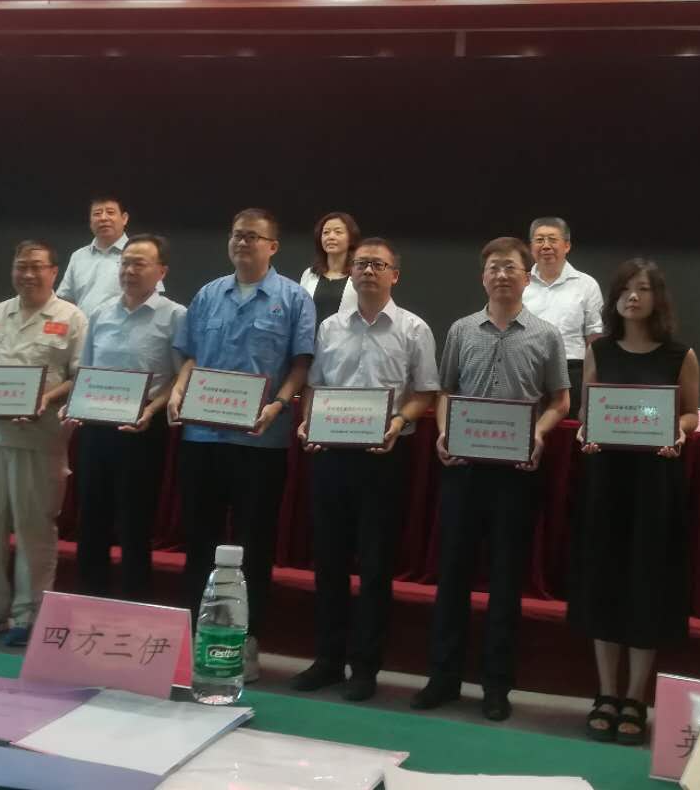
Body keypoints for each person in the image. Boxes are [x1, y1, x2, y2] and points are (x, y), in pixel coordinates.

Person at [414, 237, 571, 722]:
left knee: (506, 581)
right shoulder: (461, 330)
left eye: (511, 268)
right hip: (463, 469)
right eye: (494, 268)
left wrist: (539, 433)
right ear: (483, 277)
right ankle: (443, 677)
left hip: (515, 475)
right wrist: (444, 432)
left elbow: (560, 401)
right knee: (453, 575)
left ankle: (496, 685)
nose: (502, 275)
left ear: (527, 276)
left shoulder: (546, 335)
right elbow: (446, 390)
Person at [167, 208, 315, 682]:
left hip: (260, 440)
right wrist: (178, 389)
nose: (242, 242)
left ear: (273, 246)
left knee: (254, 544)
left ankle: (246, 641)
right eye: (236, 235)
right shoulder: (209, 294)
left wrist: (280, 405)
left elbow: (301, 364)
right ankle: (195, 636)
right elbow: (190, 356)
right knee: (199, 540)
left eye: (253, 236)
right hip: (202, 436)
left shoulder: (293, 298)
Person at [292, 237, 439, 702]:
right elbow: (314, 387)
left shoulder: (414, 329)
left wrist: (398, 421)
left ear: (395, 274)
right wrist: (308, 423)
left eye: (378, 264)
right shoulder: (329, 327)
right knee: (329, 562)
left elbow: (425, 393)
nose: (368, 271)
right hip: (331, 455)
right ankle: (328, 659)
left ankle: (365, 667)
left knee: (375, 566)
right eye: (361, 264)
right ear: (351, 273)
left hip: (384, 456)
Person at [570, 259, 698, 746]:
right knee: (603, 581)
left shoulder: (679, 354)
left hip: (655, 482)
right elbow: (588, 411)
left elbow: (689, 414)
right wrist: (586, 431)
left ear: (657, 298)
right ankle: (605, 693)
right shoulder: (598, 349)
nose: (633, 297)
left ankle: (636, 698)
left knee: (647, 585)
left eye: (643, 289)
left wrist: (676, 431)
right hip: (606, 477)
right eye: (625, 289)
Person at [0, 240, 87, 646]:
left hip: (38, 438)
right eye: (21, 266)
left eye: (36, 267)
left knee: (33, 528)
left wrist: (46, 398)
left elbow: (80, 376)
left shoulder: (71, 317)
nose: (28, 274)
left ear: (54, 271)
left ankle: (30, 616)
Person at [61, 234, 185, 601]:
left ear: (161, 271)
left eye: (139, 264)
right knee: (91, 519)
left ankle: (133, 604)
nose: (129, 270)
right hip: (96, 427)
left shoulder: (176, 315)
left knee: (134, 523)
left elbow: (181, 376)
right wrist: (74, 404)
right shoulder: (101, 312)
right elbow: (87, 370)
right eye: (125, 263)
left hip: (143, 428)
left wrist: (151, 410)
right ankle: (89, 599)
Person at [522, 217, 603, 419]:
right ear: (531, 247)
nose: (546, 246)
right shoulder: (520, 283)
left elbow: (594, 338)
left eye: (552, 239)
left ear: (567, 245)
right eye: (539, 240)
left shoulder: (586, 284)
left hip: (572, 372)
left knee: (568, 432)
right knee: (523, 429)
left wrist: (591, 383)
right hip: (525, 371)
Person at [57, 195, 162, 312]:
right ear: (90, 222)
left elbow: (152, 297)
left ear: (124, 219)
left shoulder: (142, 253)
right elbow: (66, 299)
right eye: (97, 214)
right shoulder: (78, 256)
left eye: (110, 212)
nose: (103, 218)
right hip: (82, 323)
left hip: (128, 322)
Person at [299, 211, 360, 325]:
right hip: (310, 335)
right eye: (326, 232)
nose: (331, 237)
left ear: (351, 238)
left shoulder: (360, 275)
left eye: (338, 232)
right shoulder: (309, 274)